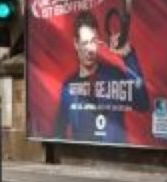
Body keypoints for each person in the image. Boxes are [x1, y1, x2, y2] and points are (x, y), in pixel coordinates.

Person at [52, 9, 150, 144]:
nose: (90, 49)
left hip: (117, 154)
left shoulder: (114, 75)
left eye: (93, 41)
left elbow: (143, 104)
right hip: (84, 155)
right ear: (76, 44)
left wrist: (129, 57)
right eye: (85, 43)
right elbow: (58, 131)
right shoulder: (68, 88)